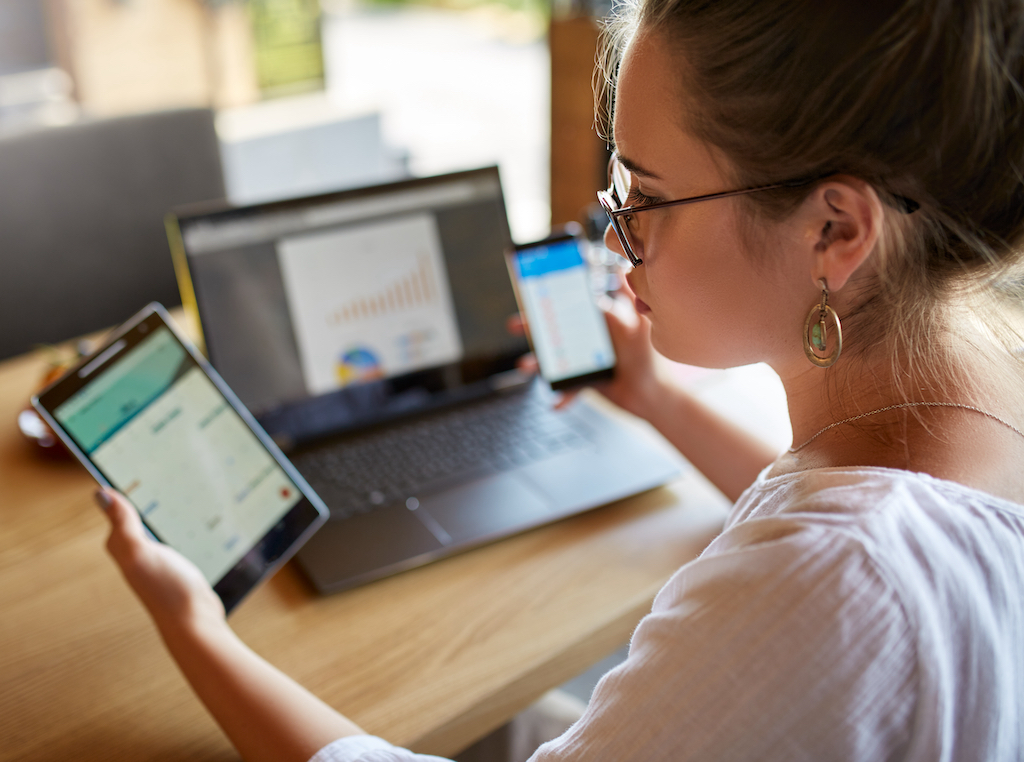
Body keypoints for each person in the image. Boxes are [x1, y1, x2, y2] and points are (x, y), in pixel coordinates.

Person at [97, 0, 1024, 759]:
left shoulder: (824, 586)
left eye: (650, 196)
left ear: (835, 232)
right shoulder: (978, 394)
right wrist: (654, 399)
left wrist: (196, 633)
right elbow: (865, 515)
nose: (620, 240)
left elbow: (840, 564)